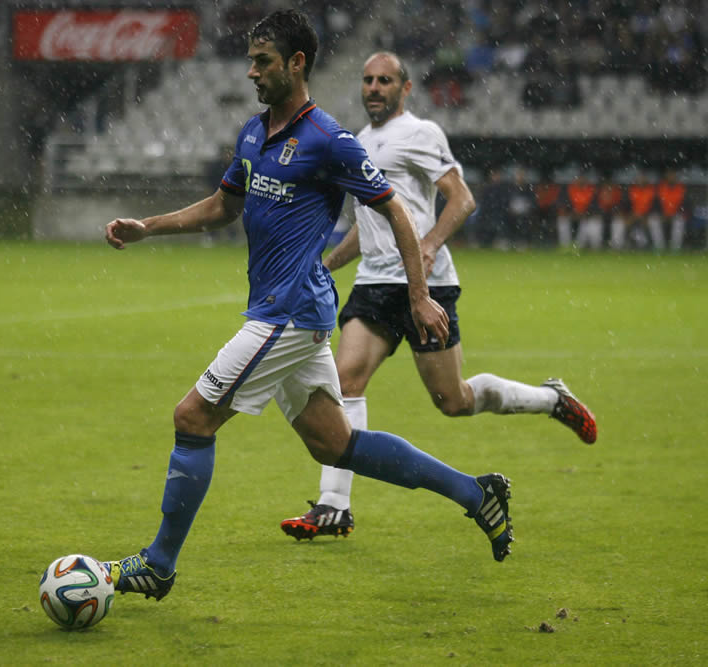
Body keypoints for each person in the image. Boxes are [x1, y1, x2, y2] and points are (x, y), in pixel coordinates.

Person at [100, 10, 515, 602]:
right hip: (287, 310)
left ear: (296, 63)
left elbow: (395, 210)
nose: (251, 72)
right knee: (336, 444)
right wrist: (149, 227)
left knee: (192, 418)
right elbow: (223, 207)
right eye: (250, 60)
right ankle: (478, 494)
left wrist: (419, 294)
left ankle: (159, 564)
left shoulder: (328, 140)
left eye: (262, 61)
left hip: (288, 314)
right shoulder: (252, 133)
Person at [279, 51, 596, 542]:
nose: (374, 88)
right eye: (367, 80)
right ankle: (333, 506)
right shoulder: (358, 142)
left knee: (453, 399)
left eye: (385, 80)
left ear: (405, 89)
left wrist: (427, 246)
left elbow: (462, 198)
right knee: (347, 381)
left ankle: (550, 399)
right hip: (373, 286)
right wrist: (324, 265)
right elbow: (370, 227)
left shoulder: (421, 133)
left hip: (426, 286)